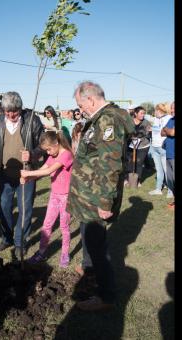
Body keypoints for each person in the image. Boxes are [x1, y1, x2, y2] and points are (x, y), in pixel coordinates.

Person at [70, 81, 134, 312]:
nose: (80, 109)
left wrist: (106, 202)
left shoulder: (108, 120)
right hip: (88, 194)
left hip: (97, 197)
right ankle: (89, 268)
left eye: (80, 104)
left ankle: (106, 296)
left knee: (97, 244)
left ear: (91, 100)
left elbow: (111, 164)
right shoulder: (100, 118)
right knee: (89, 236)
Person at [0, 91, 45, 260]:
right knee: (5, 207)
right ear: (3, 109)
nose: (11, 114)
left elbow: (42, 144)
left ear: (20, 107)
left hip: (26, 173)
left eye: (15, 111)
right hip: (4, 173)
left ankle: (20, 242)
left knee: (25, 209)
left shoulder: (32, 119)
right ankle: (6, 238)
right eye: (7, 111)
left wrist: (33, 154)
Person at [20, 131, 74, 268]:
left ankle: (65, 254)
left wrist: (28, 173)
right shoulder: (52, 156)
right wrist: (28, 179)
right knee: (47, 225)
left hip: (66, 197)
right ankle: (42, 252)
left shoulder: (66, 154)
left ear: (56, 143)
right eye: (46, 151)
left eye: (49, 149)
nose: (48, 153)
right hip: (54, 195)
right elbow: (42, 170)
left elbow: (48, 172)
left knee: (64, 226)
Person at [147, 102, 173, 197]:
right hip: (154, 147)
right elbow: (157, 130)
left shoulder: (168, 118)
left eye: (155, 110)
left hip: (163, 148)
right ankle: (158, 189)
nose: (155, 112)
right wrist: (151, 129)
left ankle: (171, 191)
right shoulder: (155, 119)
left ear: (159, 110)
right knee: (159, 170)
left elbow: (169, 132)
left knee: (167, 170)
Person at [125, 107, 152, 187]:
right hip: (130, 145)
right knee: (129, 162)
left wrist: (149, 132)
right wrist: (130, 136)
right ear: (136, 114)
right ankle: (127, 179)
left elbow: (148, 134)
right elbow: (125, 131)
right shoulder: (129, 121)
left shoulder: (146, 122)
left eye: (144, 113)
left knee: (139, 163)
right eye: (141, 113)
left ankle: (138, 180)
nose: (143, 115)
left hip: (143, 145)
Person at [160, 102, 175, 209]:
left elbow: (172, 133)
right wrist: (167, 130)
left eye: (174, 108)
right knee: (170, 180)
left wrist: (167, 130)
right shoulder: (171, 120)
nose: (172, 110)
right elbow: (162, 132)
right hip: (169, 154)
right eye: (171, 108)